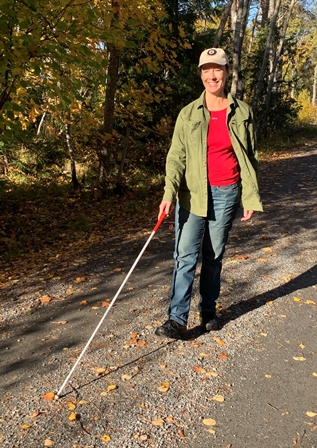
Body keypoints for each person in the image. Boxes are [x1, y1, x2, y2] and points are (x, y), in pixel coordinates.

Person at [155, 48, 263, 339]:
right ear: (201, 74)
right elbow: (176, 156)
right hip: (192, 194)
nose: (212, 75)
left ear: (227, 73)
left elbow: (249, 157)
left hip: (226, 192)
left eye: (217, 69)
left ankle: (208, 312)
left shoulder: (242, 112)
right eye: (206, 70)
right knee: (185, 256)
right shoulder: (188, 113)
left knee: (213, 256)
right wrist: (168, 193)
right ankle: (176, 320)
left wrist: (250, 198)